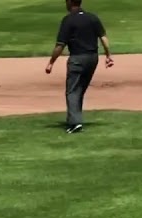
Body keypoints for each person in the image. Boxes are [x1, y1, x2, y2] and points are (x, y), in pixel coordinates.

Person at [46, 0, 114, 133]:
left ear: (70, 3)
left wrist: (51, 62)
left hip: (77, 59)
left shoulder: (68, 20)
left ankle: (74, 123)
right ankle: (75, 118)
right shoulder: (92, 17)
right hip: (93, 58)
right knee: (80, 89)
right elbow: (103, 37)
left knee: (72, 91)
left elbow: (60, 45)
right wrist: (108, 55)